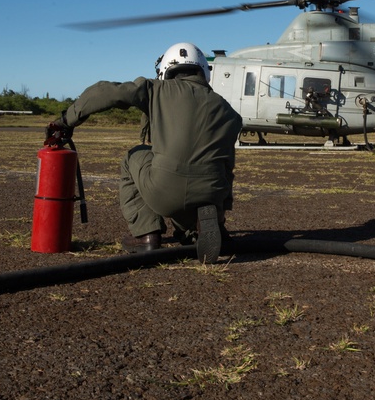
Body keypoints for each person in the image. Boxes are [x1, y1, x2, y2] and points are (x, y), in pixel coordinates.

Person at [45, 42, 243, 263]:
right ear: (204, 71)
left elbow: (104, 92)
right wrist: (220, 213)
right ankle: (199, 228)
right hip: (210, 196)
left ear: (165, 70)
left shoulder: (155, 89)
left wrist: (66, 121)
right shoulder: (229, 113)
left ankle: (147, 234)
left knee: (135, 156)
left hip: (164, 192)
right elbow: (227, 170)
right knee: (205, 175)